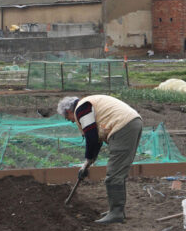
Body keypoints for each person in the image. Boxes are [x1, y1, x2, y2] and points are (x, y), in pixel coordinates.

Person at [57, 95, 143, 224]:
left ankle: (116, 213)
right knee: (117, 172)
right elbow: (96, 139)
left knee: (114, 174)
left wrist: (88, 159)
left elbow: (91, 138)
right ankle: (116, 211)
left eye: (68, 118)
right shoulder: (87, 105)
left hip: (122, 127)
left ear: (69, 111)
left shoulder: (82, 109)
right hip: (129, 123)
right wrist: (87, 163)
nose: (72, 121)